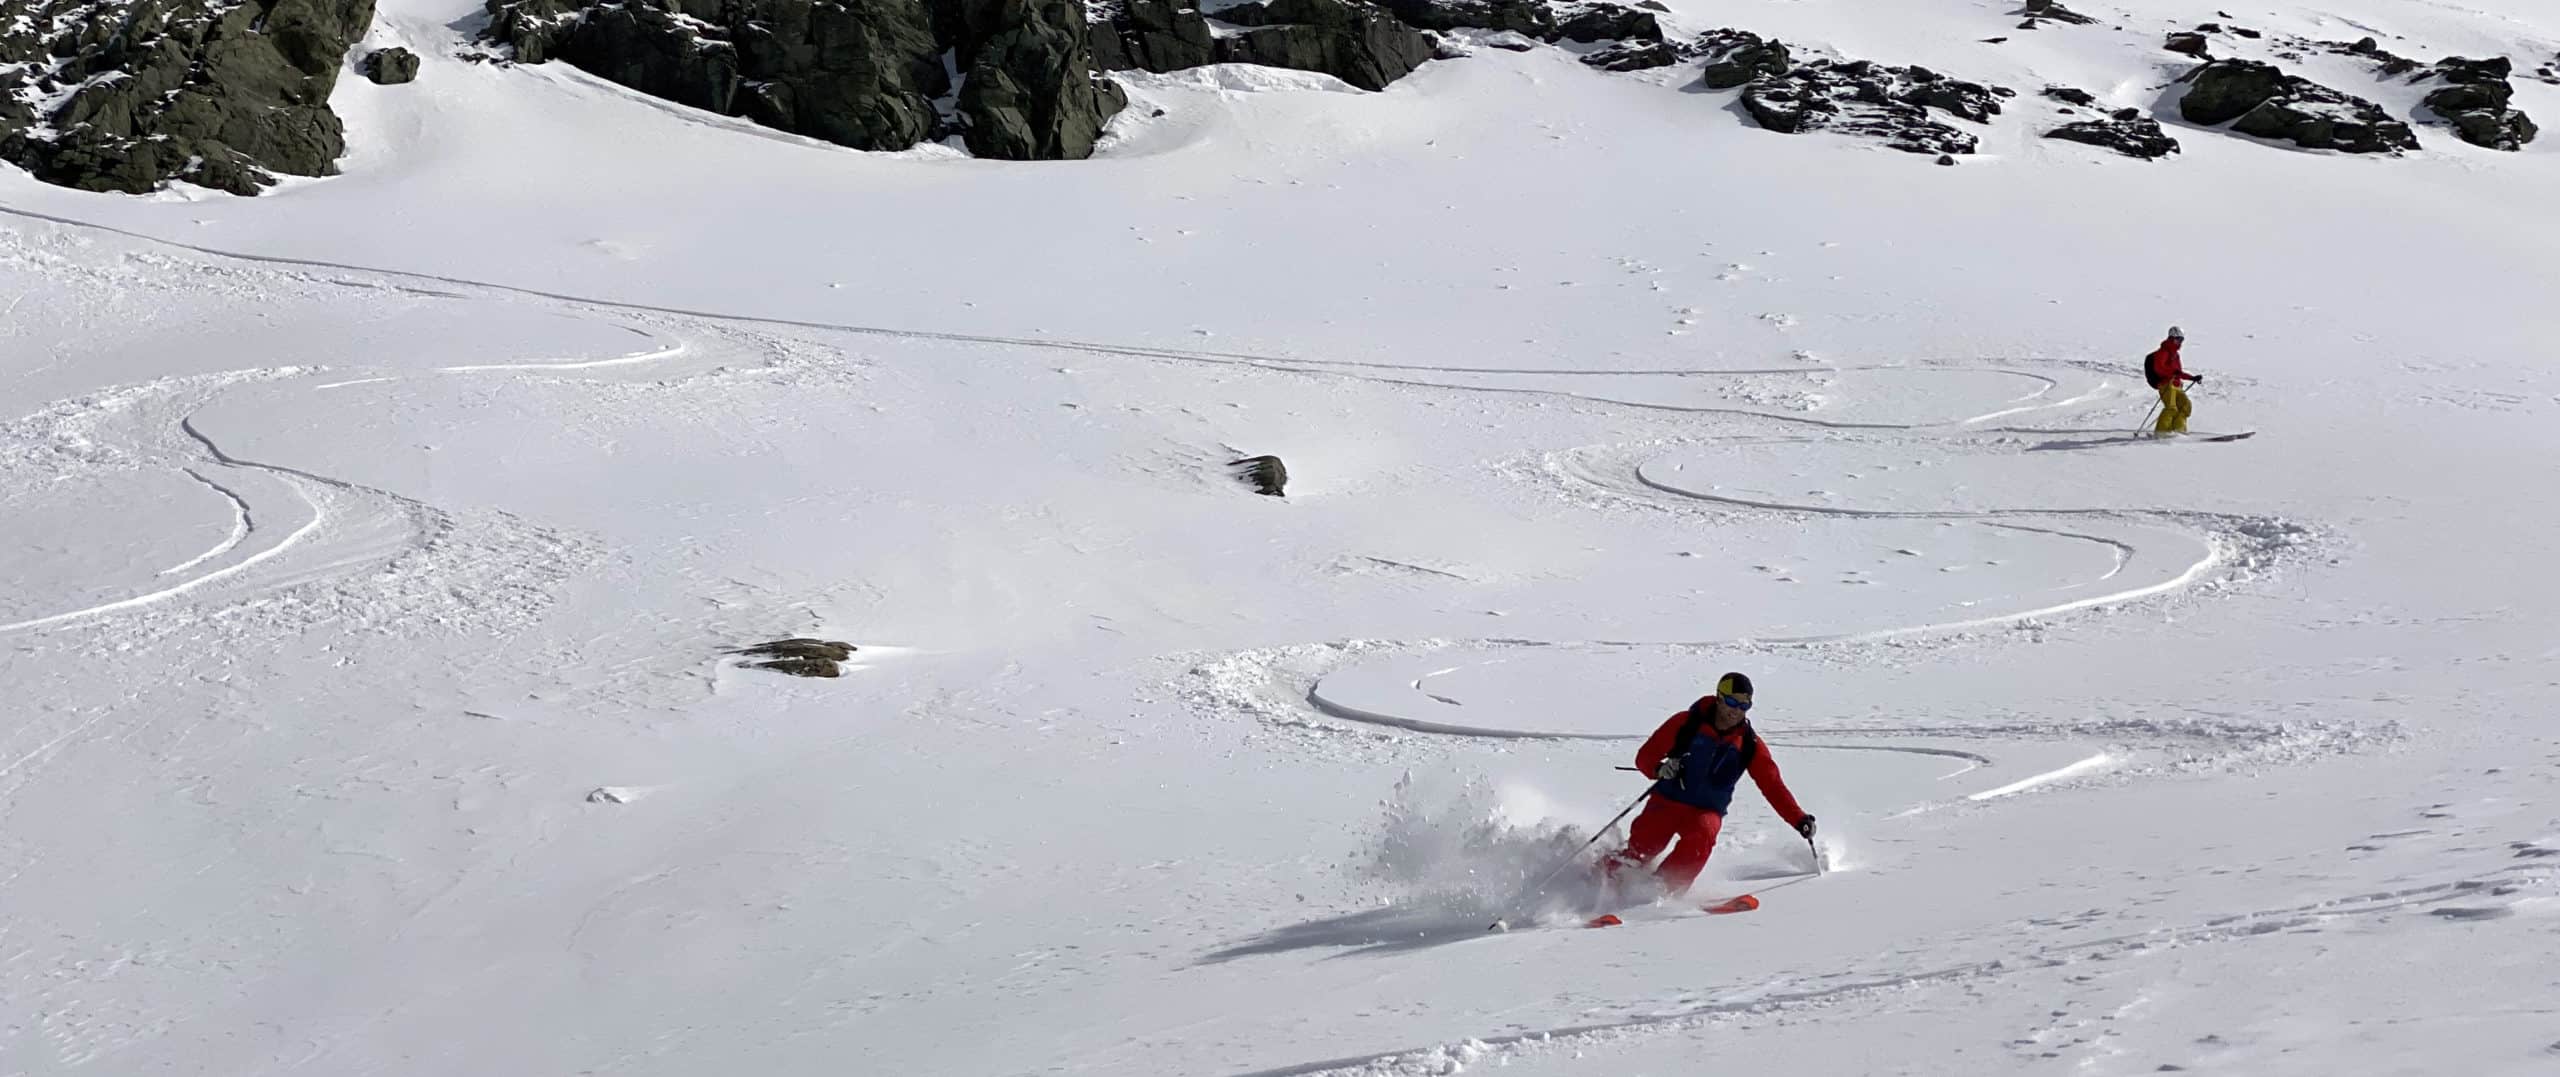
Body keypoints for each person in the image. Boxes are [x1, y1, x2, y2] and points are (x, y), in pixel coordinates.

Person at [1604, 672, 1815, 895]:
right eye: (1732, 702)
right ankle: (1600, 880)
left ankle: (1661, 891)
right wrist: (1659, 769)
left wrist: (1799, 819)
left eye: (1744, 705)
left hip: (1706, 810)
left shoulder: (1749, 745)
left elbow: (1772, 786)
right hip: (1667, 802)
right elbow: (1645, 757)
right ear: (1719, 698)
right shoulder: (1686, 723)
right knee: (1645, 846)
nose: (1737, 710)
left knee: (1703, 835)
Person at [2144, 326, 2205, 436]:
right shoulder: (2163, 352)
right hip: (2165, 384)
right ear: (2171, 338)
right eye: (2178, 339)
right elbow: (2159, 368)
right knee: (2171, 408)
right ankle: (2161, 433)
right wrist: (2173, 372)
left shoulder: (2175, 355)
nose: (2180, 342)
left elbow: (2178, 372)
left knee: (2185, 406)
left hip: (2177, 385)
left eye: (2182, 340)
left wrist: (2192, 378)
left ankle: (2179, 431)